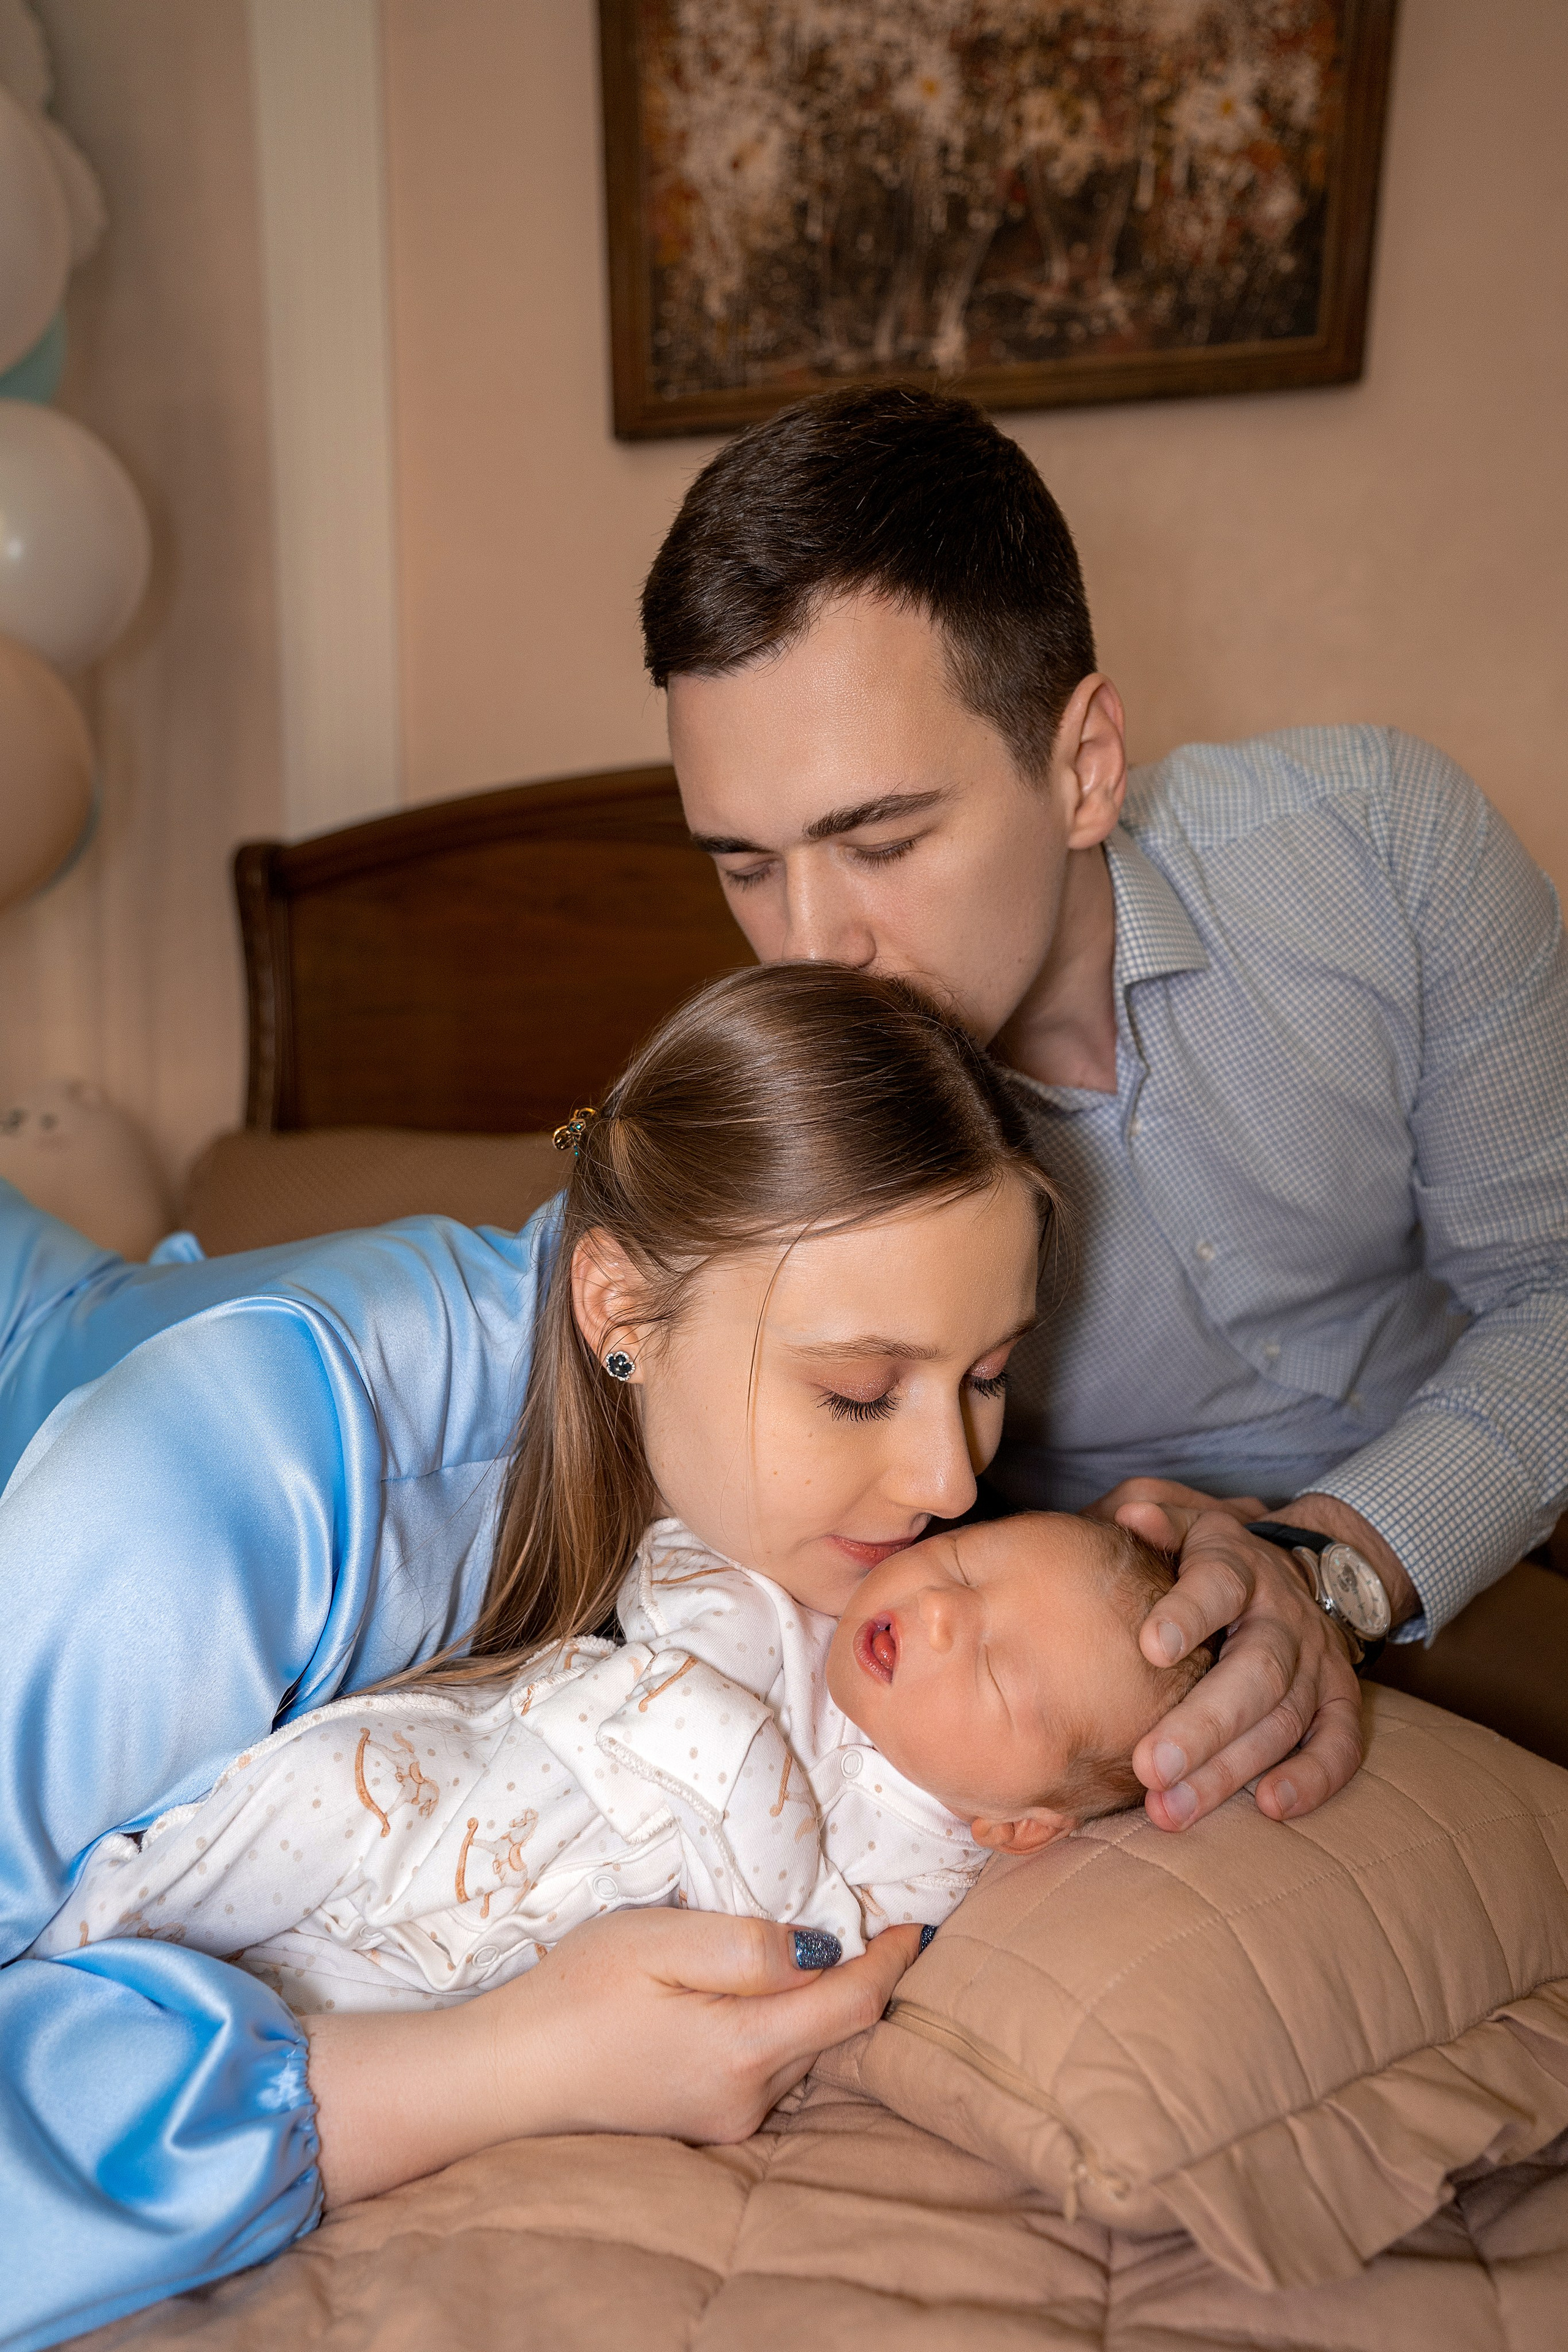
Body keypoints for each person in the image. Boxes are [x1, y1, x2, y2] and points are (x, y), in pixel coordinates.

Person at [2, 960, 1065, 2348]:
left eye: (986, 1376)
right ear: (616, 1314)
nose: (946, 1477)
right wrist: (514, 2061)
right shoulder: (210, 1498)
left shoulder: (742, 1393)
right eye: (858, 1394)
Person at [643, 384, 1568, 1839]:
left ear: (1082, 766)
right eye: (744, 865)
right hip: (1082, 1692)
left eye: (878, 839)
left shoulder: (1387, 853)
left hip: (1493, 1543)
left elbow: (1554, 1289)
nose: (811, 947)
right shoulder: (794, 1104)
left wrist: (1333, 1564)